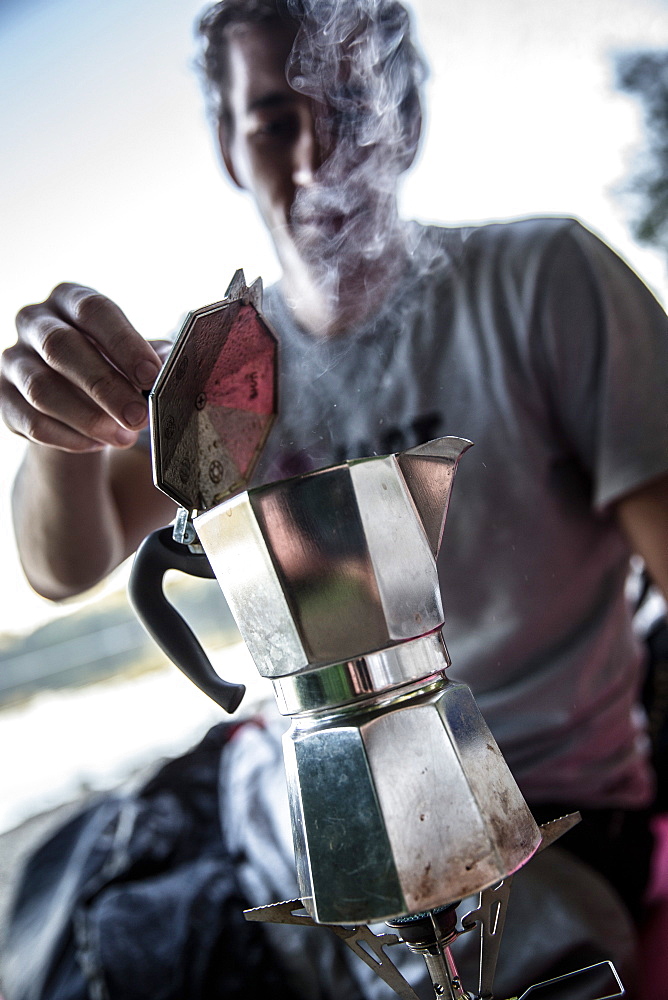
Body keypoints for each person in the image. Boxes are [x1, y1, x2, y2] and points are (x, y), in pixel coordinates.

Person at [1, 0, 668, 996]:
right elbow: (65, 563)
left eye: (348, 105)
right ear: (228, 144)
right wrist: (61, 431)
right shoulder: (228, 364)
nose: (314, 154)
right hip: (294, 823)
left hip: (540, 817)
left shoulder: (536, 278)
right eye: (272, 119)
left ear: (406, 112)